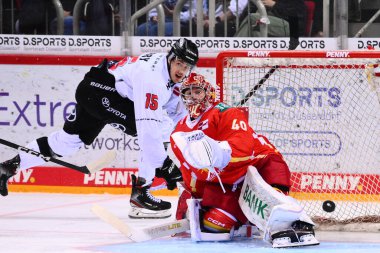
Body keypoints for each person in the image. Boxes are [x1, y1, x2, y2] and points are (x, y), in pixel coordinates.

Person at [0, 38, 199, 219]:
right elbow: (148, 130)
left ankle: (8, 167)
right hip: (101, 92)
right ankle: (141, 192)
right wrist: (164, 166)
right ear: (170, 58)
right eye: (179, 63)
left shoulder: (167, 73)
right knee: (157, 127)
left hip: (95, 87)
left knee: (66, 143)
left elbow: (177, 112)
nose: (181, 70)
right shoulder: (152, 77)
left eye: (186, 66)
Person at [169, 73, 319, 247]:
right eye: (188, 93)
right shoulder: (179, 131)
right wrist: (191, 197)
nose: (193, 97)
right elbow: (191, 172)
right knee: (214, 224)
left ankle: (289, 220)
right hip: (226, 180)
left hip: (257, 165)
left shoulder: (225, 112)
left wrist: (219, 154)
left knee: (271, 197)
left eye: (197, 92)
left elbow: (243, 147)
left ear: (208, 93)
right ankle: (246, 221)